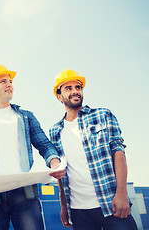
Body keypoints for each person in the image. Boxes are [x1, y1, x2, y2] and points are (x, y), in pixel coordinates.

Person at [0, 64, 66, 230]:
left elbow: (44, 144)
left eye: (10, 81)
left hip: (24, 192)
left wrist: (54, 162)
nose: (9, 84)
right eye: (3, 81)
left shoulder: (25, 117)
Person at [49, 69, 138, 230]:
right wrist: (63, 205)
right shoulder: (55, 131)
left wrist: (122, 193)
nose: (75, 91)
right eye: (68, 88)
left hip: (111, 204)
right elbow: (60, 173)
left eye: (78, 87)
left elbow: (118, 152)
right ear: (59, 96)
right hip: (78, 211)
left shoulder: (103, 115)